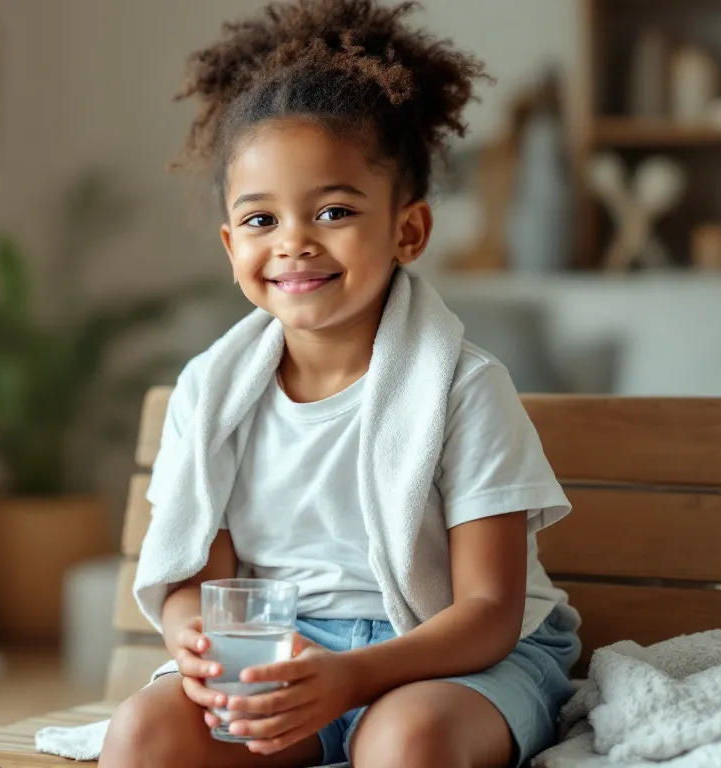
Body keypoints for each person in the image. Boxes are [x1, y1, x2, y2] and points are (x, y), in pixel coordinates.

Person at [97, 2, 580, 767]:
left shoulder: (463, 388)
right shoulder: (211, 395)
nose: (293, 241)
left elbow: (488, 612)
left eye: (333, 210)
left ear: (408, 230)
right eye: (260, 220)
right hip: (289, 653)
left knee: (404, 740)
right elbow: (197, 578)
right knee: (143, 734)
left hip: (450, 658)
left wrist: (352, 676)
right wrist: (194, 643)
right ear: (230, 245)